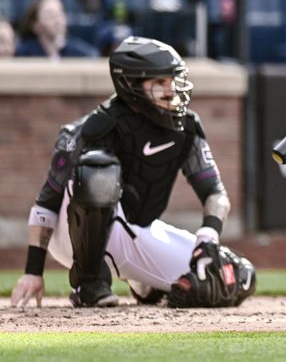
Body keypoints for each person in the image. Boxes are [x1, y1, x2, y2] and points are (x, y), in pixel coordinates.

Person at [10, 36, 256, 309]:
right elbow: (46, 203)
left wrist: (208, 237)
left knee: (236, 275)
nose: (171, 90)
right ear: (133, 86)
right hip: (71, 237)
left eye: (172, 81)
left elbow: (215, 193)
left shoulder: (186, 127)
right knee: (97, 171)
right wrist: (33, 271)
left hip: (137, 231)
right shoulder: (92, 129)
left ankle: (145, 284)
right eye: (160, 83)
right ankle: (88, 283)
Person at [14, 0, 98, 58]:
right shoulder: (23, 53)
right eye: (50, 15)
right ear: (35, 25)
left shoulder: (82, 53)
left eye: (60, 13)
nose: (57, 20)